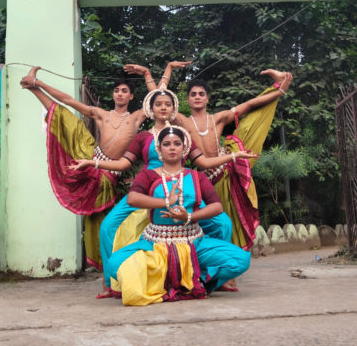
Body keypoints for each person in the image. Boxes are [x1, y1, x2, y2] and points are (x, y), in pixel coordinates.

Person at [71, 88, 256, 295]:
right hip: (148, 188)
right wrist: (93, 163)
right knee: (107, 226)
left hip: (183, 186)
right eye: (158, 104)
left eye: (168, 104)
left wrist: (233, 157)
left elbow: (203, 162)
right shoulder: (143, 137)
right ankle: (110, 282)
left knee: (223, 223)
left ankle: (212, 275)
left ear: (174, 108)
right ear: (151, 109)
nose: (163, 107)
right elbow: (123, 164)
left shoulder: (183, 136)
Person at [18, 62, 186, 268]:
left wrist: (160, 70)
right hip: (89, 156)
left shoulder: (136, 118)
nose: (120, 94)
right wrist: (39, 83)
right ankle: (33, 88)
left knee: (105, 223)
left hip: (108, 172)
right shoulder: (102, 115)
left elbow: (159, 95)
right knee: (67, 118)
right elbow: (69, 100)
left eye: (124, 91)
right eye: (117, 90)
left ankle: (110, 264)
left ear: (131, 97)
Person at [125, 65, 293, 251]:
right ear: (187, 100)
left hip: (224, 173)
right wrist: (150, 73)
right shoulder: (181, 121)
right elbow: (160, 97)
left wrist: (280, 89)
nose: (197, 97)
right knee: (205, 221)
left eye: (201, 94)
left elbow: (250, 104)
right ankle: (206, 257)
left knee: (228, 219)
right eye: (193, 94)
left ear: (207, 98)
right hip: (201, 179)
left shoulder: (218, 118)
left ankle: (227, 256)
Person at [104, 125, 251, 306]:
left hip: (193, 244)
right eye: (166, 144)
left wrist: (189, 217)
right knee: (114, 264)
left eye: (177, 143)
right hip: (156, 245)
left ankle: (201, 281)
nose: (172, 147)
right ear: (159, 149)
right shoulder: (148, 175)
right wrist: (166, 201)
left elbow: (217, 207)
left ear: (184, 148)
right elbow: (133, 198)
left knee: (241, 260)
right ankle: (164, 279)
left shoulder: (196, 176)